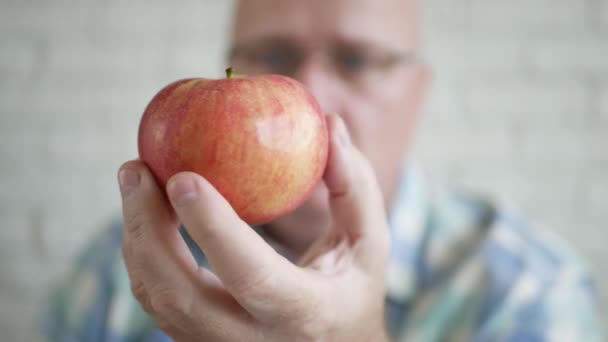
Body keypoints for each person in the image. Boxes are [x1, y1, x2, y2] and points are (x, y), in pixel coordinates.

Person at [46, 0, 603, 341]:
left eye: (357, 59)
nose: (312, 90)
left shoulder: (526, 292)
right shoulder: (118, 280)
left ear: (419, 91)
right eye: (274, 54)